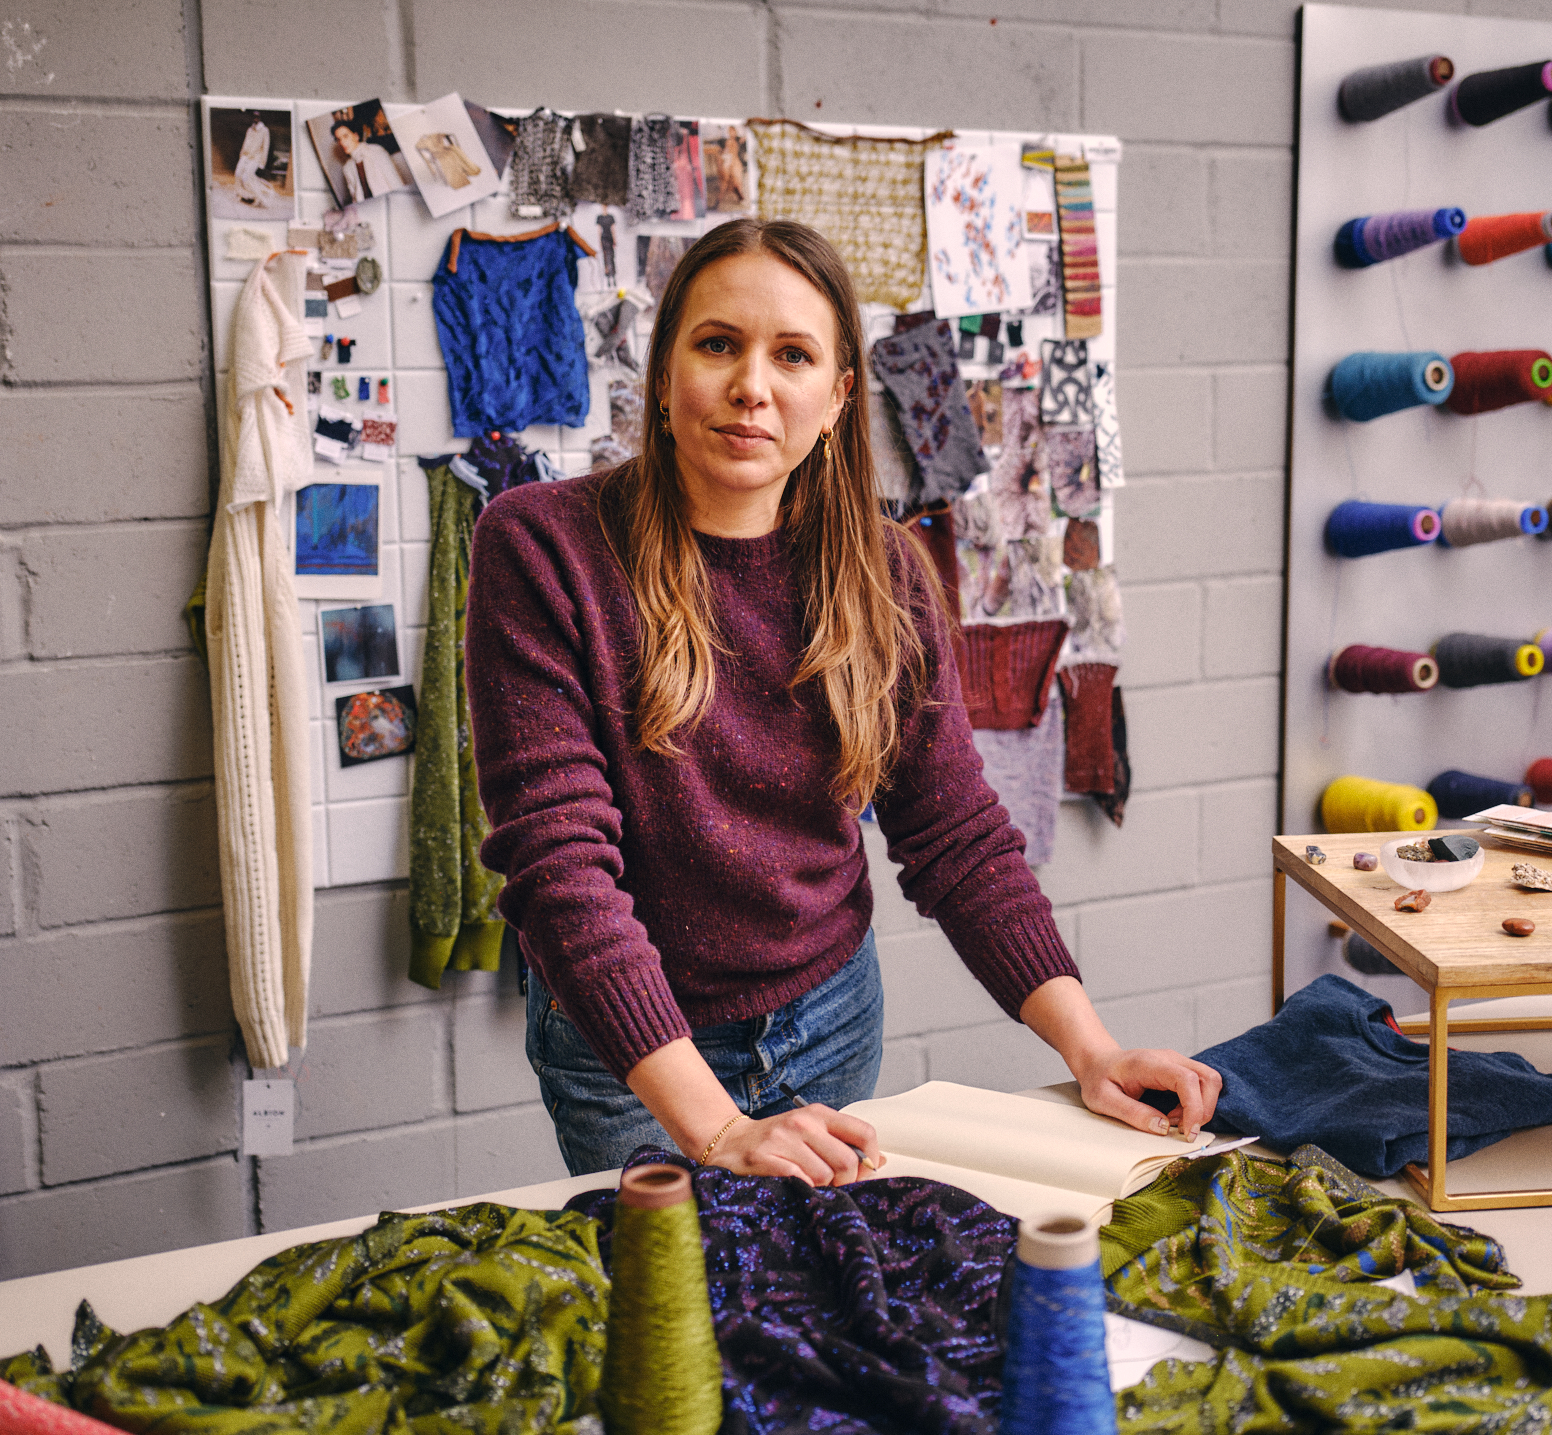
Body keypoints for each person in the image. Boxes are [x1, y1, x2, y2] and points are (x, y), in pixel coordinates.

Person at [464, 218, 1222, 1183]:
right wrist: (716, 1131)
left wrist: (1092, 1051)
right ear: (662, 377)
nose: (752, 385)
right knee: (683, 1311)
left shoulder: (887, 575)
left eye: (793, 355)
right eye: (716, 345)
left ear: (837, 399)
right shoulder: (543, 547)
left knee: (822, 1299)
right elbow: (557, 863)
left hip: (830, 1019)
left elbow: (954, 835)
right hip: (633, 1053)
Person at [330, 117, 403, 201]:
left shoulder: (376, 151)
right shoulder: (347, 168)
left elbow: (395, 181)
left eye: (345, 136)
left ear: (356, 136)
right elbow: (355, 198)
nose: (342, 142)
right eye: (339, 139)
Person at [234, 114, 273, 206]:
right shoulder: (250, 129)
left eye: (257, 117)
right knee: (238, 174)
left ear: (260, 118)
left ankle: (259, 197)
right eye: (254, 116)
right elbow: (245, 141)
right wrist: (242, 154)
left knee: (247, 178)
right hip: (245, 156)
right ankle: (240, 194)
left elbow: (265, 147)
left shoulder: (264, 130)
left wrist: (262, 162)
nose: (255, 118)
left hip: (256, 158)